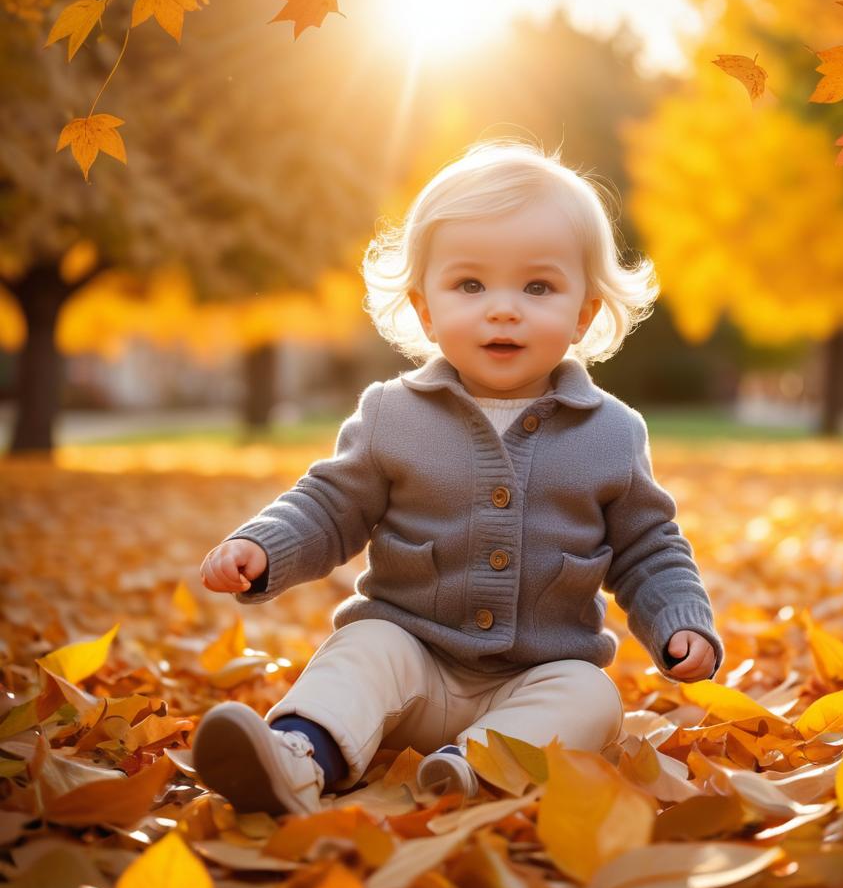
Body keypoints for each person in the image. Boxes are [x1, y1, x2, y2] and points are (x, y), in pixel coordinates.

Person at [193, 139, 725, 816]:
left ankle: (473, 771)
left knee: (592, 695)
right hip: (411, 660)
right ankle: (296, 757)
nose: (503, 308)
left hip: (535, 678)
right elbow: (329, 508)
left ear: (584, 312)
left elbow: (650, 550)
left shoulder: (611, 434)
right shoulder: (392, 414)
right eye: (470, 285)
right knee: (362, 648)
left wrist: (682, 623)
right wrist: (263, 547)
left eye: (538, 286)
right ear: (425, 308)